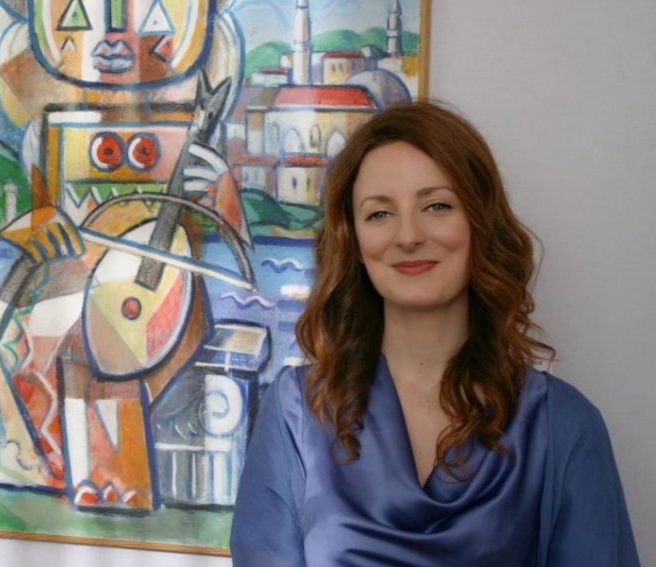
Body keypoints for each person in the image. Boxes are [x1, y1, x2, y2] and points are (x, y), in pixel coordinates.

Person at [230, 101, 639, 566]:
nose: (408, 236)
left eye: (437, 206)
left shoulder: (562, 425)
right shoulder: (298, 413)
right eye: (379, 214)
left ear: (480, 223)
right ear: (354, 242)